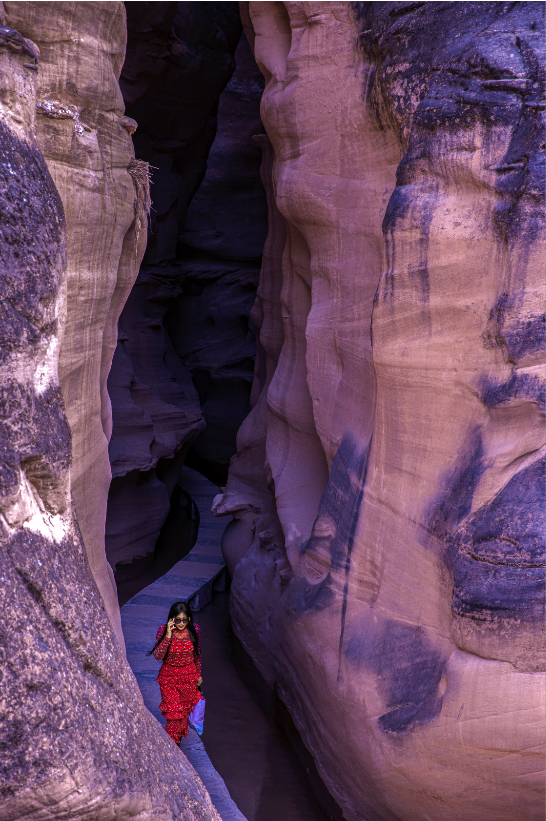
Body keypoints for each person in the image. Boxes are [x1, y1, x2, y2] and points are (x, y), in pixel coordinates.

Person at [147, 600, 203, 745]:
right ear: (172, 619)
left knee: (183, 716)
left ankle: (177, 747)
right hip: (168, 679)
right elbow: (158, 655)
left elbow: (198, 655)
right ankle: (172, 749)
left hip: (189, 678)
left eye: (185, 619)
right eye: (178, 619)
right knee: (173, 716)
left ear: (189, 619)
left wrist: (199, 674)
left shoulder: (194, 630)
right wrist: (168, 635)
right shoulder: (163, 630)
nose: (181, 623)